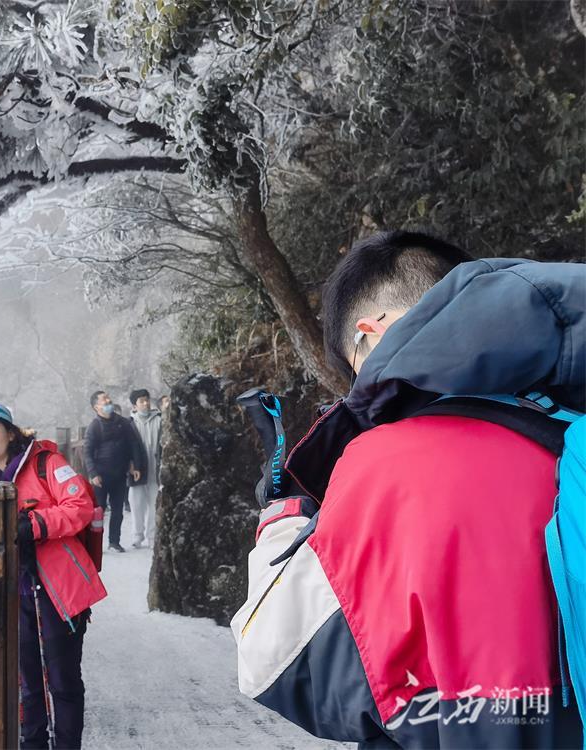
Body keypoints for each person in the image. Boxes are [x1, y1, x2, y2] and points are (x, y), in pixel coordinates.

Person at [231, 231, 586, 748]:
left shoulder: (386, 463)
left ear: (369, 333)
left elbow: (269, 658)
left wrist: (281, 519)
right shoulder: (566, 427)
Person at [0, 402, 107, 749]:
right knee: (27, 683)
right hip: (14, 593)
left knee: (62, 681)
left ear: (10, 431)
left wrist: (34, 524)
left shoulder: (45, 462)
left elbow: (79, 506)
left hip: (59, 590)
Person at [84, 390, 145, 553]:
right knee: (99, 512)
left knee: (118, 510)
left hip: (120, 473)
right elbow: (87, 452)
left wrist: (135, 465)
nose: (108, 402)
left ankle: (114, 541)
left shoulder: (123, 423)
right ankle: (93, 544)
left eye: (109, 398)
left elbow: (133, 444)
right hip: (101, 476)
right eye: (104, 400)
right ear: (96, 407)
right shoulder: (94, 427)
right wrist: (93, 473)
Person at [128, 388, 162, 548]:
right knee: (136, 504)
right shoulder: (129, 424)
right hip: (137, 470)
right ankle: (137, 536)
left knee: (155, 504)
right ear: (134, 406)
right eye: (141, 401)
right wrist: (130, 466)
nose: (145, 403)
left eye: (147, 400)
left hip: (155, 469)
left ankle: (152, 537)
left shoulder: (159, 420)